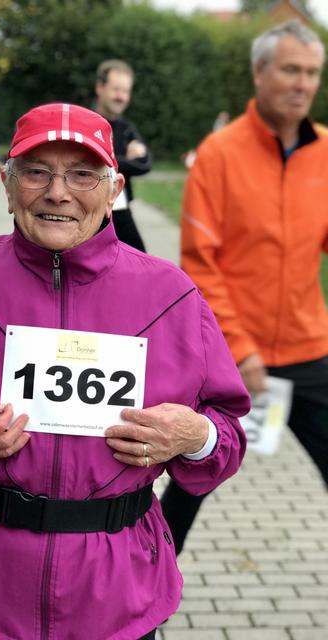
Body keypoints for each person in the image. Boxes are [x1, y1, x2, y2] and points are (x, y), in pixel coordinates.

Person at [0, 102, 249, 640]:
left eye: (82, 174)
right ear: (7, 186)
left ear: (114, 191)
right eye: (37, 172)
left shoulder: (172, 296)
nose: (58, 193)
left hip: (117, 596)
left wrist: (195, 436)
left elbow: (227, 438)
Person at [161, 19, 328, 556]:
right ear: (259, 72)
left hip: (308, 349)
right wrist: (241, 348)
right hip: (231, 360)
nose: (303, 84)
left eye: (312, 73)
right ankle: (145, 585)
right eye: (291, 70)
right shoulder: (219, 154)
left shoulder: (326, 151)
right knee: (195, 479)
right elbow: (199, 264)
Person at [94, 59, 152, 251]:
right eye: (116, 89)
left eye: (125, 91)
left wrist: (104, 160)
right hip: (88, 209)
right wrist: (125, 160)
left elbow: (144, 164)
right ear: (100, 88)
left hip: (119, 209)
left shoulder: (127, 129)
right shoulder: (86, 122)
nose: (120, 96)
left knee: (140, 260)